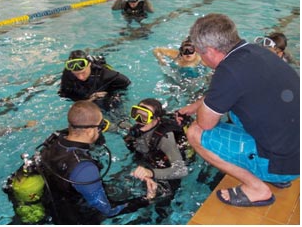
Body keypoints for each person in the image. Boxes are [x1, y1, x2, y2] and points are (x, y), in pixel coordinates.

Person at [176, 13, 299, 208]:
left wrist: (199, 111)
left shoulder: (228, 72)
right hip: (294, 150)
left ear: (209, 51)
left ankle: (257, 188)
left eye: (200, 52)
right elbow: (232, 90)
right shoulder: (256, 51)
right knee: (235, 110)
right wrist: (196, 104)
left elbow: (205, 123)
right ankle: (277, 175)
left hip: (283, 163)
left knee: (195, 133)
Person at [21, 100, 149, 224]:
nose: (102, 129)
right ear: (89, 130)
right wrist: (146, 200)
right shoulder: (84, 168)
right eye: (100, 126)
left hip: (53, 202)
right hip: (76, 218)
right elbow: (108, 210)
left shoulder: (55, 139)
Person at [123, 98, 195, 221]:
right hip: (151, 159)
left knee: (161, 201)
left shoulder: (165, 139)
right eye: (137, 113)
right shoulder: (137, 130)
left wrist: (151, 173)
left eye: (145, 116)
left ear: (156, 118)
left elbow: (181, 170)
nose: (139, 120)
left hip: (169, 164)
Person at [58, 50, 131, 111]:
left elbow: (127, 83)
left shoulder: (104, 74)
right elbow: (65, 95)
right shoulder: (68, 74)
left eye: (83, 72)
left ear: (89, 64)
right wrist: (90, 99)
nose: (80, 77)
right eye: (76, 74)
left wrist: (110, 94)